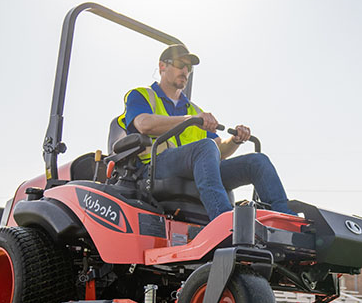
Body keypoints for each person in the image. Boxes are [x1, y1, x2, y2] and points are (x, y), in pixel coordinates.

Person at [120, 44, 293, 220]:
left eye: (189, 68)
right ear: (162, 66)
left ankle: (284, 219)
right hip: (155, 167)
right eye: (180, 64)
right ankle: (224, 220)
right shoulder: (142, 95)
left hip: (197, 169)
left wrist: (235, 140)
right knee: (205, 147)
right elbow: (144, 124)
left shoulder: (195, 110)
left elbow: (219, 149)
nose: (185, 71)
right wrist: (189, 120)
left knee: (257, 161)